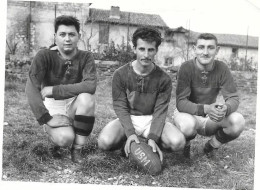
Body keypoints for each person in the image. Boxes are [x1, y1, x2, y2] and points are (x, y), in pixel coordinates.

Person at [97, 27, 186, 162]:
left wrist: (153, 137)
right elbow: (120, 106)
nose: (146, 54)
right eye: (142, 49)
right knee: (104, 142)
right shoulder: (120, 74)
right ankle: (127, 141)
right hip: (129, 117)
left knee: (178, 142)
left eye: (150, 50)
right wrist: (130, 132)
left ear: (156, 50)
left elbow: (160, 111)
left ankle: (152, 145)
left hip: (151, 119)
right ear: (134, 49)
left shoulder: (164, 79)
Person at [25, 15, 97, 163]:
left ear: (79, 36)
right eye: (62, 34)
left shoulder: (86, 57)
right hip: (53, 106)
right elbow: (31, 88)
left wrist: (54, 90)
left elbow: (90, 85)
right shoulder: (44, 55)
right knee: (65, 138)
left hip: (74, 103)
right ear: (55, 36)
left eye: (72, 34)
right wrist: (47, 119)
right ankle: (53, 130)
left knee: (87, 98)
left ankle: (77, 149)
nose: (67, 39)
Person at [174, 33, 245, 158]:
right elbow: (181, 102)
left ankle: (211, 146)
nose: (205, 52)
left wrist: (225, 108)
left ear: (217, 50)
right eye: (201, 47)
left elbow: (233, 97)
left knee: (238, 121)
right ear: (194, 49)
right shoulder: (186, 67)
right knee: (187, 125)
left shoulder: (222, 68)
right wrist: (206, 108)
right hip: (189, 114)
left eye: (210, 48)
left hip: (209, 117)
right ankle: (186, 145)